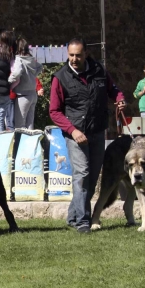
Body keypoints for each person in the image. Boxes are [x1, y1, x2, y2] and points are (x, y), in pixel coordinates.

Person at [49, 38, 126, 233]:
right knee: (81, 174)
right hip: (75, 134)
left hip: (97, 131)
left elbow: (113, 90)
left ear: (86, 55)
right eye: (71, 55)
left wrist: (120, 99)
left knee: (91, 179)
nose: (74, 59)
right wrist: (73, 131)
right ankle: (83, 221)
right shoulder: (60, 77)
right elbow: (54, 111)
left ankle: (73, 216)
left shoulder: (99, 71)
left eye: (78, 55)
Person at [8, 38, 44, 130]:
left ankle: (21, 144)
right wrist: (32, 75)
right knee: (30, 123)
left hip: (23, 95)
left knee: (20, 125)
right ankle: (31, 143)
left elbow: (17, 73)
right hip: (33, 94)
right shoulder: (31, 59)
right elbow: (40, 66)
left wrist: (8, 81)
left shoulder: (19, 59)